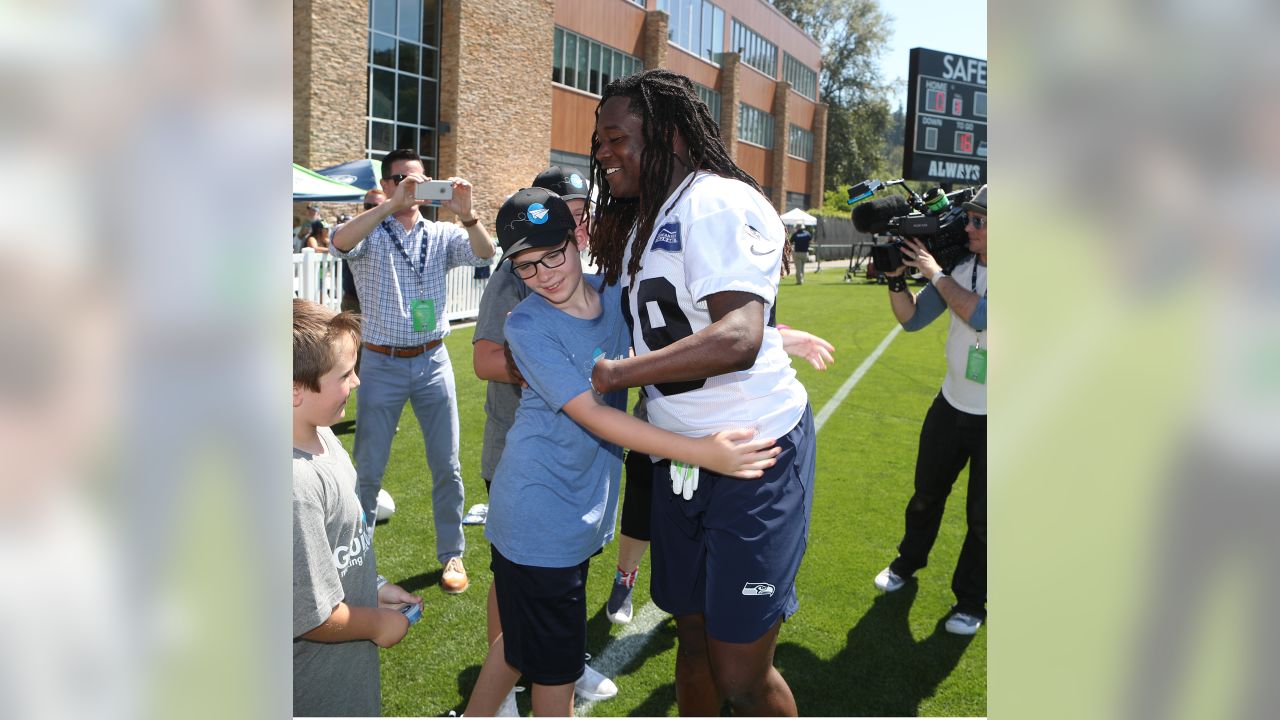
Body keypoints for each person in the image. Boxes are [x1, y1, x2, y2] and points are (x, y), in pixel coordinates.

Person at [465, 188, 780, 717]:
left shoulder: (613, 292)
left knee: (521, 642)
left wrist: (781, 339)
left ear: (577, 237)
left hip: (566, 515)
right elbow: (596, 414)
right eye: (525, 266)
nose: (544, 274)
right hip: (541, 520)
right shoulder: (525, 325)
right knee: (554, 678)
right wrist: (702, 452)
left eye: (553, 254)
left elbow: (680, 331)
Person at [587, 69, 816, 716]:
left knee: (741, 671)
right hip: (682, 457)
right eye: (598, 139)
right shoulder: (641, 223)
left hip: (754, 450)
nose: (601, 152)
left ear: (671, 135)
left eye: (615, 137)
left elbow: (739, 334)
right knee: (690, 637)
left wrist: (619, 375)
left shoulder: (715, 200)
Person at [471, 166, 616, 712]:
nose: (580, 223)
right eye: (571, 210)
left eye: (581, 214)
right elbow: (485, 358)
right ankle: (522, 682)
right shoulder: (519, 276)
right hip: (520, 451)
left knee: (542, 603)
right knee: (517, 584)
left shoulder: (592, 276)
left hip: (573, 468)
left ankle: (550, 665)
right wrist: (558, 372)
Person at [330, 148, 496, 594]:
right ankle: (355, 561)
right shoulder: (372, 230)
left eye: (419, 180)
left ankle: (452, 554)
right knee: (368, 469)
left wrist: (469, 215)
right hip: (382, 363)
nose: (411, 187)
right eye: (401, 179)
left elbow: (485, 255)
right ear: (385, 185)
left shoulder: (441, 233)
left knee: (447, 464)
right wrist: (388, 206)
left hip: (432, 359)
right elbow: (340, 242)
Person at [292, 298, 421, 716]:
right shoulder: (293, 487)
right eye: (345, 374)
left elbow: (332, 549)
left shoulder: (321, 434)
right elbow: (310, 616)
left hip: (345, 675)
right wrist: (378, 623)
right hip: (314, 690)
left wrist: (374, 589)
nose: (358, 382)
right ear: (294, 389)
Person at [872, 184, 988, 635]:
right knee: (925, 495)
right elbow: (912, 319)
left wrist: (936, 274)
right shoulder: (960, 266)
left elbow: (980, 315)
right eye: (970, 218)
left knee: (983, 518)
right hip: (952, 403)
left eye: (980, 221)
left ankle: (971, 601)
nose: (969, 226)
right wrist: (896, 278)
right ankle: (907, 562)